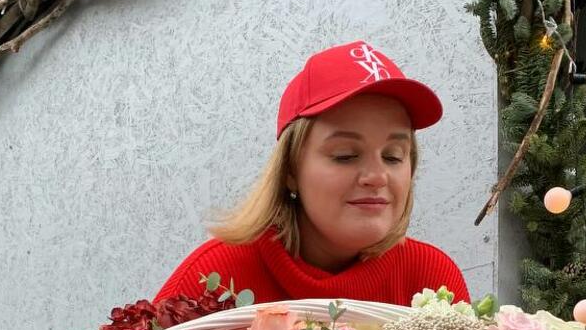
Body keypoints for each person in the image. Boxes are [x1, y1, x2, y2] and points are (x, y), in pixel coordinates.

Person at [153, 41, 470, 307]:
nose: (377, 176)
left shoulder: (433, 282)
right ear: (290, 170)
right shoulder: (211, 280)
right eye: (345, 155)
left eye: (393, 156)